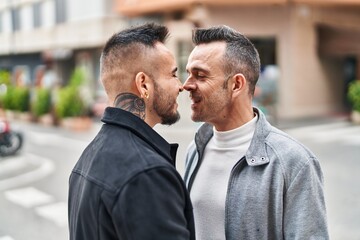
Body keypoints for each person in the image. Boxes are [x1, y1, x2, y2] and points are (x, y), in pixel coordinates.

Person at [183, 25, 329, 239]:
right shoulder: (194, 151)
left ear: (236, 85)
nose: (186, 85)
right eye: (188, 74)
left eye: (200, 76)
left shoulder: (294, 162)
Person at [68, 23, 195, 240]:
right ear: (143, 84)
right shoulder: (147, 174)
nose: (181, 85)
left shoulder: (87, 157)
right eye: (173, 75)